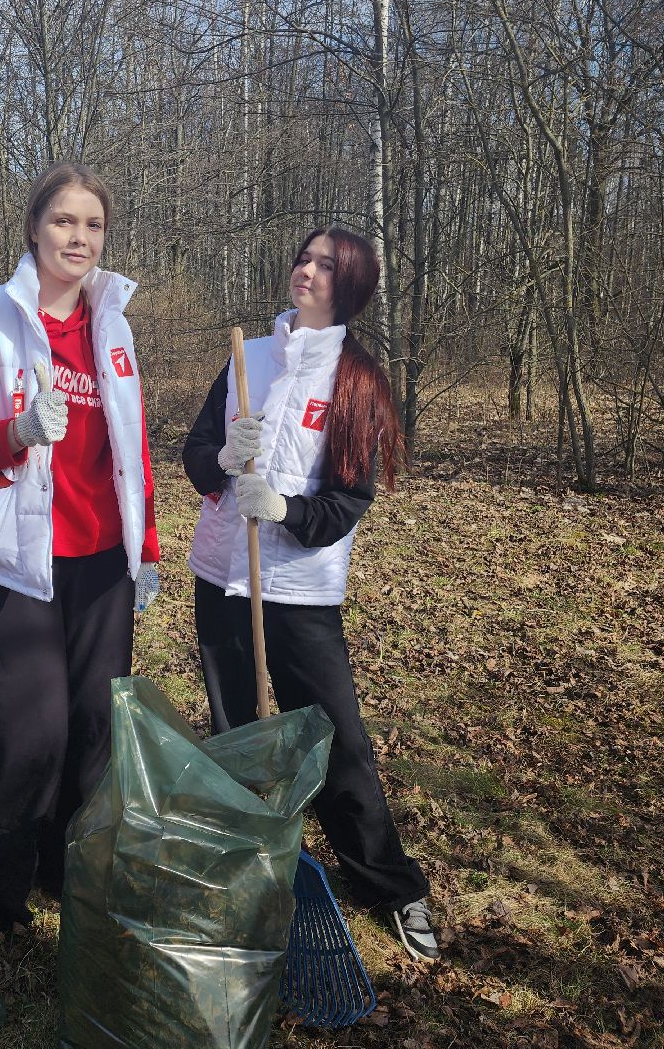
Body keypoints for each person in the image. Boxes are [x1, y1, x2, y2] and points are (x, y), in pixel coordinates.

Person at [181, 225, 438, 960]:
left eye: (327, 265)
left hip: (299, 591)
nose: (308, 270)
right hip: (220, 576)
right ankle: (247, 869)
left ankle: (392, 886)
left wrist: (285, 510)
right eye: (304, 257)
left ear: (351, 284)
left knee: (336, 745)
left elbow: (348, 503)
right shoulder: (247, 359)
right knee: (234, 735)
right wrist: (224, 458)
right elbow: (198, 456)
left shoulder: (358, 384)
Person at [0, 163, 159, 932]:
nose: (80, 237)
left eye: (93, 224)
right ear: (34, 229)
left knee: (96, 723)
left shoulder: (114, 324)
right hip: (21, 557)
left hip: (104, 563)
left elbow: (133, 448)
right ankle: (2, 882)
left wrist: (149, 547)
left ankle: (68, 868)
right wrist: (19, 433)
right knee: (32, 728)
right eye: (65, 221)